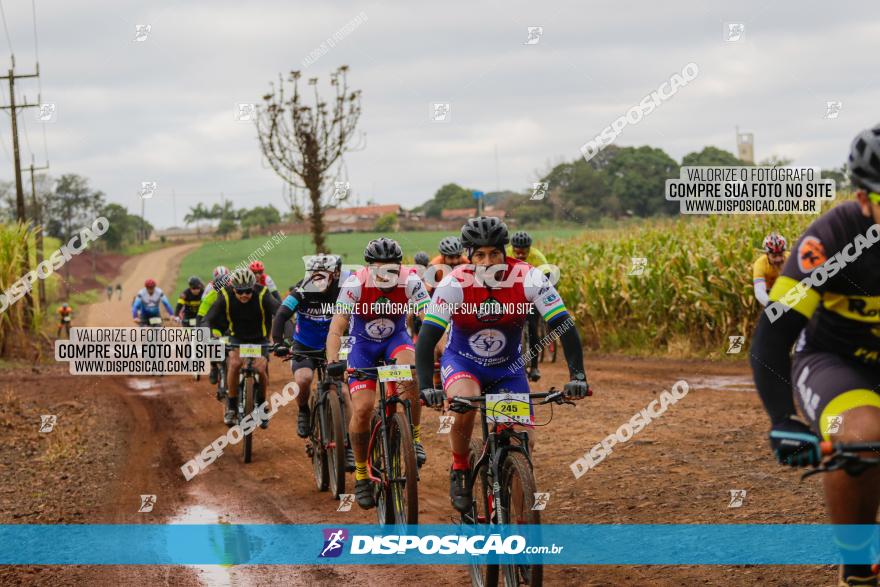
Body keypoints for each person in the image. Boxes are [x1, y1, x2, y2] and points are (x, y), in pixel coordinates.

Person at [750, 124, 880, 587]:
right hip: (837, 361)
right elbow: (772, 335)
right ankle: (859, 567)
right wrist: (783, 418)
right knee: (862, 434)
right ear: (864, 198)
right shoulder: (834, 237)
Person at [415, 216, 591, 514]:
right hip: (464, 363)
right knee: (465, 406)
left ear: (504, 253)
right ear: (469, 257)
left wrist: (578, 375)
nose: (487, 261)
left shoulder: (529, 277)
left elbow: (564, 324)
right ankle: (459, 467)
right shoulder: (454, 283)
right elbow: (427, 338)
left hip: (508, 368)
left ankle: (517, 521)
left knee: (525, 441)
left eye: (494, 253)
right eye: (480, 255)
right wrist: (424, 386)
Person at [325, 237, 430, 509]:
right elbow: (337, 328)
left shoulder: (411, 281)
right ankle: (361, 473)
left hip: (396, 339)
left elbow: (428, 317)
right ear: (368, 268)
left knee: (410, 375)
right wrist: (332, 360)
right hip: (363, 346)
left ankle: (415, 437)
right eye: (380, 270)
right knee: (363, 410)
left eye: (392, 270)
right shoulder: (354, 284)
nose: (386, 276)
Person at [270, 254, 350, 447]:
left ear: (335, 274)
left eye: (323, 275)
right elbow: (281, 315)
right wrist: (279, 342)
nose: (318, 279)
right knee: (303, 379)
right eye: (314, 275)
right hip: (306, 344)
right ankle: (304, 410)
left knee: (346, 388)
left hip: (338, 345)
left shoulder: (345, 288)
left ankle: (347, 441)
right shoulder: (302, 288)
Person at [204, 268, 280, 427]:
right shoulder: (225, 295)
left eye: (248, 291)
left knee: (260, 368)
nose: (244, 295)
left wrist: (283, 338)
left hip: (260, 339)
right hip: (237, 337)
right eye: (240, 291)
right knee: (234, 363)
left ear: (253, 287)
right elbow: (208, 319)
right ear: (233, 288)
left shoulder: (263, 293)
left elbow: (280, 313)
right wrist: (208, 336)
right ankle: (231, 406)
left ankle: (261, 406)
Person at [507, 230, 551, 381]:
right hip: (512, 294)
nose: (520, 256)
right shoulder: (506, 254)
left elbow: (547, 276)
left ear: (529, 249)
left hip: (532, 295)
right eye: (517, 252)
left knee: (533, 328)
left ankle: (534, 367)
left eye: (524, 252)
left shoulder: (537, 257)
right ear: (512, 249)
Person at [198, 266, 231, 384]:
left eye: (226, 288)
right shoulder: (210, 295)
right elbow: (201, 316)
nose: (223, 291)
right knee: (214, 343)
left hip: (230, 325)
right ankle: (214, 367)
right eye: (219, 289)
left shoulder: (235, 294)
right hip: (215, 325)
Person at [752, 232, 789, 307]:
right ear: (767, 254)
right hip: (770, 294)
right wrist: (773, 306)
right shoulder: (760, 264)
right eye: (774, 256)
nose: (778, 259)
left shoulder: (791, 258)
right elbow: (759, 292)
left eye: (781, 255)